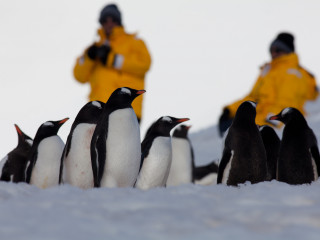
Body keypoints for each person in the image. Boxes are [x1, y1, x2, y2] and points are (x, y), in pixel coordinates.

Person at [218, 32, 319, 137]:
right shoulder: (269, 71)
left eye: (278, 50)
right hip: (258, 117)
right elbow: (253, 97)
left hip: (271, 124)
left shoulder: (291, 73)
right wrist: (231, 110)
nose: (273, 53)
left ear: (287, 50)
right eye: (271, 50)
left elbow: (286, 103)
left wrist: (267, 123)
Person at [73, 4, 152, 123]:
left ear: (119, 21)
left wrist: (112, 59)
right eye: (105, 20)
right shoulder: (95, 48)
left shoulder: (134, 42)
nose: (109, 23)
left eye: (113, 20)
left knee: (123, 142)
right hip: (98, 110)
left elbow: (144, 64)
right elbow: (79, 76)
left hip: (126, 109)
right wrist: (89, 57)